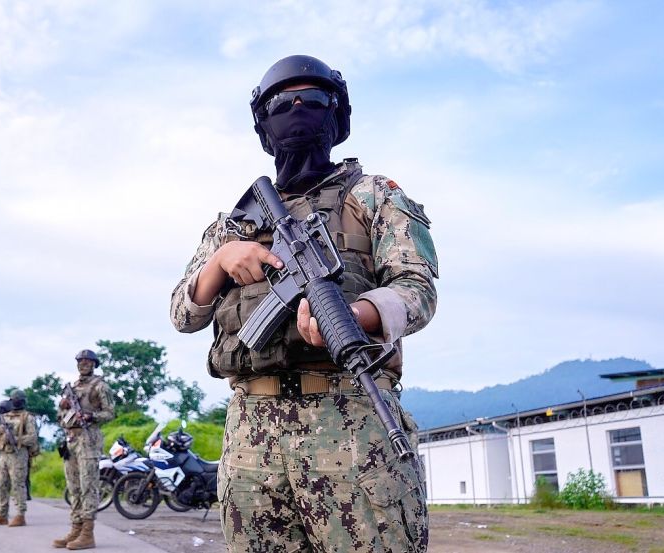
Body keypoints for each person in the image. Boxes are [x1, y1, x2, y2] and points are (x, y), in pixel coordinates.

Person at [170, 55, 438, 552]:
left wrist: (357, 317)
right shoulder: (232, 224)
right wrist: (222, 260)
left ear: (334, 116)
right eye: (282, 102)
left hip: (352, 419)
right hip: (252, 433)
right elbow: (182, 315)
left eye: (311, 100)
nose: (297, 108)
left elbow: (417, 288)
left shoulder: (374, 195)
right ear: (264, 124)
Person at [51, 350, 115, 550]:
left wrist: (91, 416)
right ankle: (75, 529)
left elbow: (110, 413)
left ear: (94, 363)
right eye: (80, 361)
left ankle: (88, 533)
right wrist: (62, 407)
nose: (83, 364)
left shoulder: (100, 386)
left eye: (88, 361)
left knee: (88, 485)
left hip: (88, 438)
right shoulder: (72, 387)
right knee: (74, 487)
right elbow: (61, 418)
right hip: (71, 438)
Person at [0, 390, 38, 527]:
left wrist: (15, 440)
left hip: (18, 455)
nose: (16, 401)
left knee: (18, 485)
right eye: (14, 399)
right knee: (1, 484)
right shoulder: (5, 417)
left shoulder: (28, 417)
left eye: (18, 399)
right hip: (3, 455)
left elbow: (32, 438)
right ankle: (2, 515)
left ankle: (20, 515)